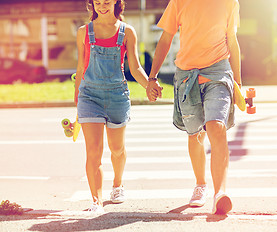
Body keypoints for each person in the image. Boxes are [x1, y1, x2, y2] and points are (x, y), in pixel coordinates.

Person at [147, 0, 241, 215]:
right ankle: (201, 185)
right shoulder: (179, 2)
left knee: (216, 126)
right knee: (195, 134)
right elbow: (165, 39)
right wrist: (152, 77)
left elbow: (232, 40)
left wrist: (239, 83)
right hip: (187, 75)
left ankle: (220, 192)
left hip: (218, 72)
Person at [75, 0, 159, 213]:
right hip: (90, 96)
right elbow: (81, 65)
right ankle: (96, 201)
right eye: (98, 2)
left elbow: (135, 66)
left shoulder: (127, 32)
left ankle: (118, 184)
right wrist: (77, 99)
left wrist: (149, 85)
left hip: (117, 96)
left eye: (106, 2)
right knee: (93, 151)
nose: (102, 6)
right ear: (92, 4)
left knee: (117, 149)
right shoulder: (84, 32)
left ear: (116, 3)